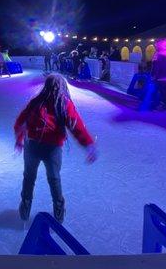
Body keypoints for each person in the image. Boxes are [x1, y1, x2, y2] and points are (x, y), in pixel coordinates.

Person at [14, 74, 97, 223]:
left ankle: (25, 207)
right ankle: (58, 211)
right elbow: (76, 126)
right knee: (53, 179)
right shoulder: (63, 103)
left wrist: (19, 140)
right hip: (51, 149)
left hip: (33, 146)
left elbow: (20, 122)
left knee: (29, 177)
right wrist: (89, 145)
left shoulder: (37, 101)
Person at [151, 38, 166, 107]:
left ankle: (164, 104)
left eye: (156, 45)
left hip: (161, 76)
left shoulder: (159, 54)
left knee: (163, 91)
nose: (155, 46)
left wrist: (154, 75)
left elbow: (157, 66)